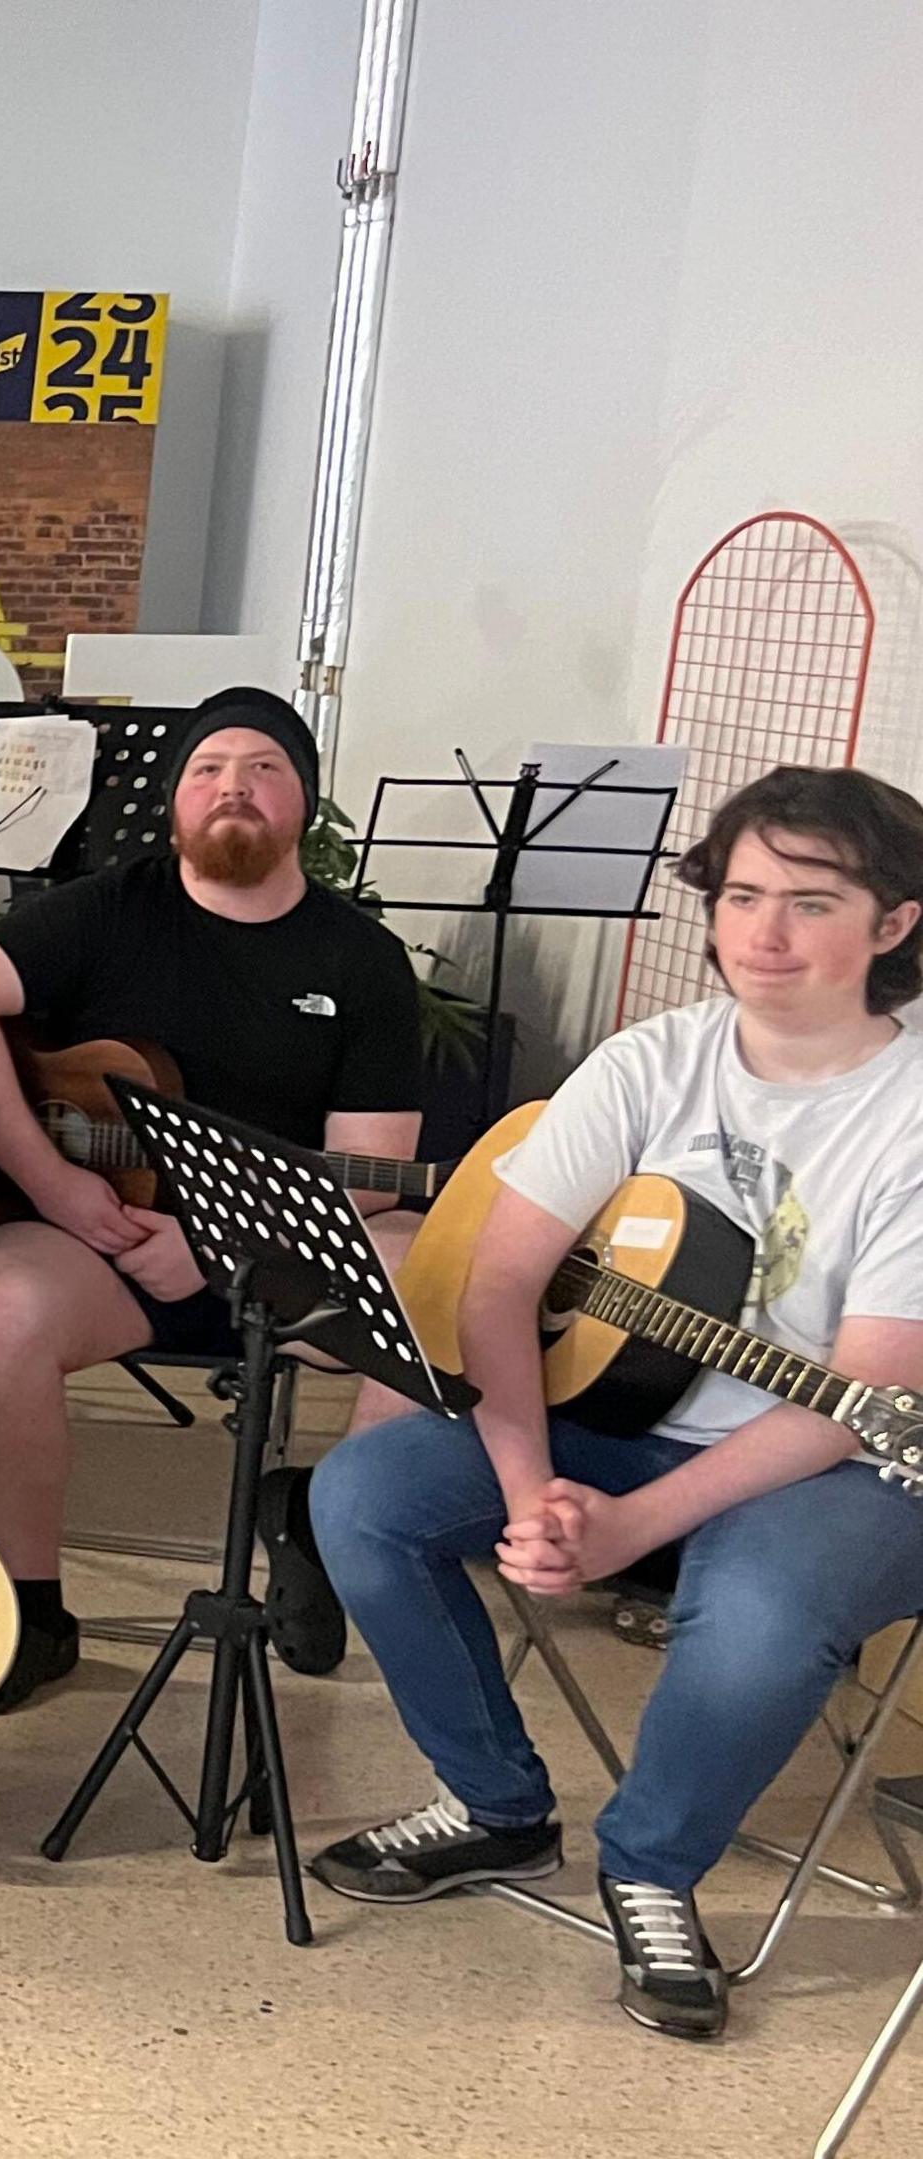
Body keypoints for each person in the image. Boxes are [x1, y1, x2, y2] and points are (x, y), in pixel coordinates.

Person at [306, 767, 923, 2044]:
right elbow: (502, 1283)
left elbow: (863, 1390)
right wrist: (536, 1496)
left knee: (763, 1609)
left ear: (896, 924)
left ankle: (651, 1864)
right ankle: (494, 1805)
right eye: (743, 894)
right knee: (362, 1492)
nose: (762, 933)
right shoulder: (657, 1059)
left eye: (811, 902)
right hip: (616, 1416)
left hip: (841, 1455)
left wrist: (631, 1530)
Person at [0, 687, 421, 1711]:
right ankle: (29, 1606)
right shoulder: (109, 906)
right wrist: (53, 1183)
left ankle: (325, 1518)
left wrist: (223, 1241)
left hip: (280, 1252)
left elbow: (371, 1169)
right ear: (176, 802)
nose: (234, 787)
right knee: (2, 1307)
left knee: (427, 1279)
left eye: (264, 769)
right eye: (208, 769)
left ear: (305, 805)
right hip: (103, 1243)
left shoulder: (361, 960)